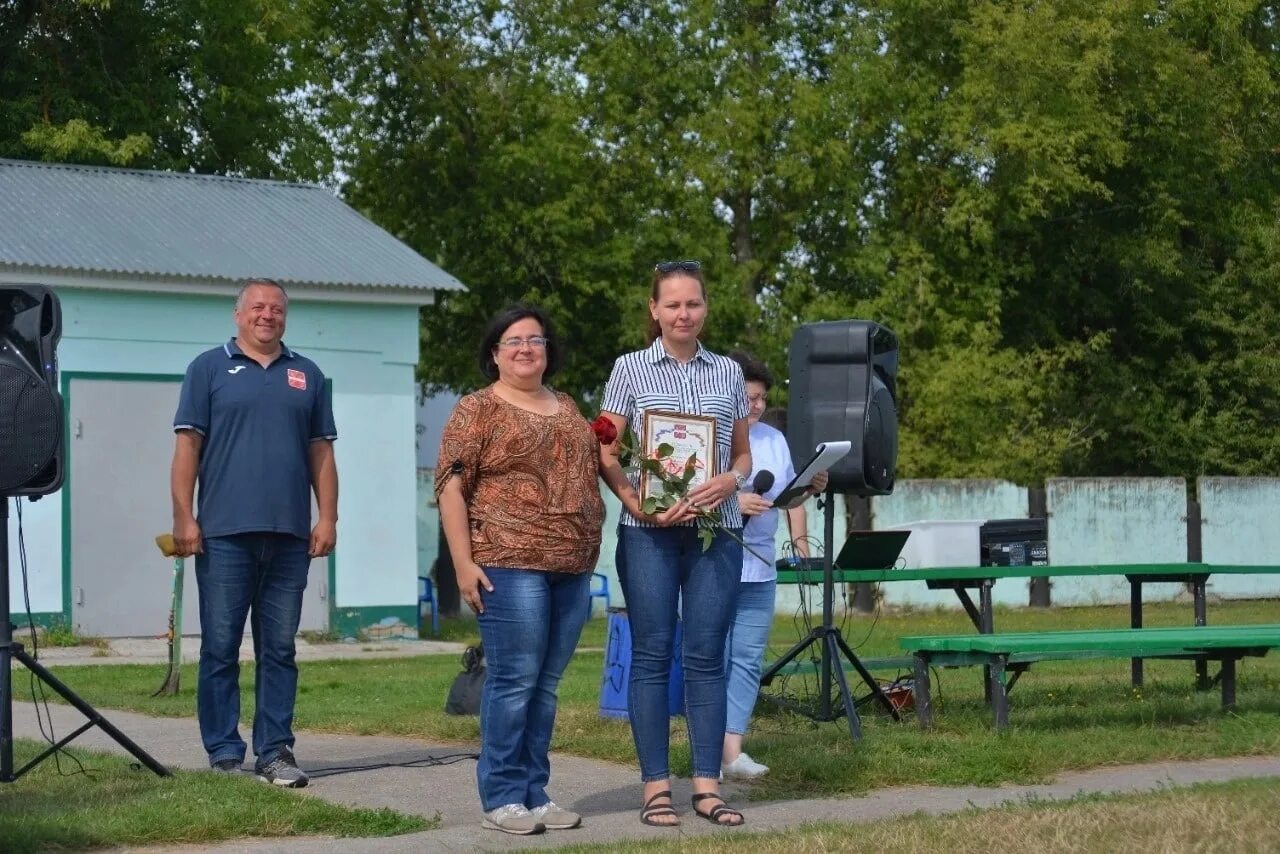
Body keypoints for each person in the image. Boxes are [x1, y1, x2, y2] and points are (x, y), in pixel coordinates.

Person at [435, 304, 604, 836]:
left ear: (548, 351)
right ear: (495, 354)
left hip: (572, 566)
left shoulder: (570, 408)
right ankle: (503, 795)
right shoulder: (477, 408)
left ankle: (535, 789)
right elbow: (451, 486)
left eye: (536, 339)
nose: (527, 348)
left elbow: (600, 468)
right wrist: (464, 563)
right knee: (514, 681)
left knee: (546, 685)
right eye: (514, 341)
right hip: (509, 563)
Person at [597, 260, 751, 828]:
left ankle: (707, 788)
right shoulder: (629, 369)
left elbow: (742, 454)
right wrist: (632, 500)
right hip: (649, 535)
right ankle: (655, 787)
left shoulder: (728, 373)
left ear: (705, 309)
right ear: (654, 311)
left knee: (708, 658)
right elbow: (606, 447)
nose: (683, 314)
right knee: (653, 655)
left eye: (693, 304)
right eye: (673, 304)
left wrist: (729, 481)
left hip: (717, 532)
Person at [170, 277, 338, 788]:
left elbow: (322, 454)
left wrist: (327, 517)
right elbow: (187, 450)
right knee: (220, 647)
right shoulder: (208, 368)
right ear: (238, 315)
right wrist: (184, 515)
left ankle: (275, 752)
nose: (268, 315)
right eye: (258, 307)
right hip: (223, 535)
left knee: (279, 649)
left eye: (277, 309)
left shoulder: (308, 375)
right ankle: (223, 752)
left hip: (289, 537)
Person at [721, 351, 828, 779]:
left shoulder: (774, 440)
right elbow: (688, 493)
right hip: (713, 562)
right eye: (748, 396)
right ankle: (707, 747)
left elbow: (787, 499)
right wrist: (734, 500)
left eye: (761, 397)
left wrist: (811, 486)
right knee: (712, 657)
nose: (756, 404)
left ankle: (732, 752)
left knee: (747, 659)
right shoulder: (712, 433)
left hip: (760, 568)